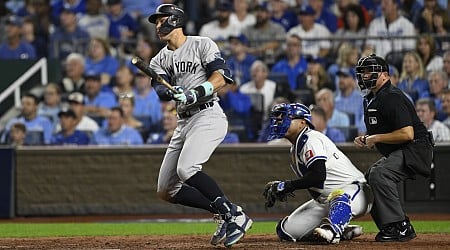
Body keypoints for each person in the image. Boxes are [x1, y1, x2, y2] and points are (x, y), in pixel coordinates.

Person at [147, 4, 252, 248]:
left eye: (161, 20)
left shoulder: (202, 44)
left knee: (187, 169)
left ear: (175, 20)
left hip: (208, 115)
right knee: (166, 190)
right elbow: (160, 89)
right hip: (184, 121)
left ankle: (236, 216)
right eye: (156, 22)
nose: (157, 26)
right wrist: (173, 92)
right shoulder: (158, 59)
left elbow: (221, 77)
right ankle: (227, 212)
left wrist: (195, 93)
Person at [263, 102, 372, 244]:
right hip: (325, 201)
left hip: (356, 191)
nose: (280, 121)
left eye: (287, 117)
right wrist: (285, 186)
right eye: (279, 118)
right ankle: (343, 229)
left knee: (338, 196)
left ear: (302, 123)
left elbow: (318, 176)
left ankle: (333, 230)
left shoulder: (311, 138)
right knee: (287, 231)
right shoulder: (295, 148)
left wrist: (287, 185)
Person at [353, 54, 434, 242]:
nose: (364, 76)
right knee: (369, 176)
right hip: (404, 149)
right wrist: (367, 139)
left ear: (384, 74)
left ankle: (401, 226)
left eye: (368, 71)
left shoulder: (391, 96)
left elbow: (408, 134)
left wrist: (376, 138)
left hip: (416, 148)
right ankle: (390, 226)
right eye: (362, 72)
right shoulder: (373, 98)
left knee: (380, 174)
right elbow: (385, 131)